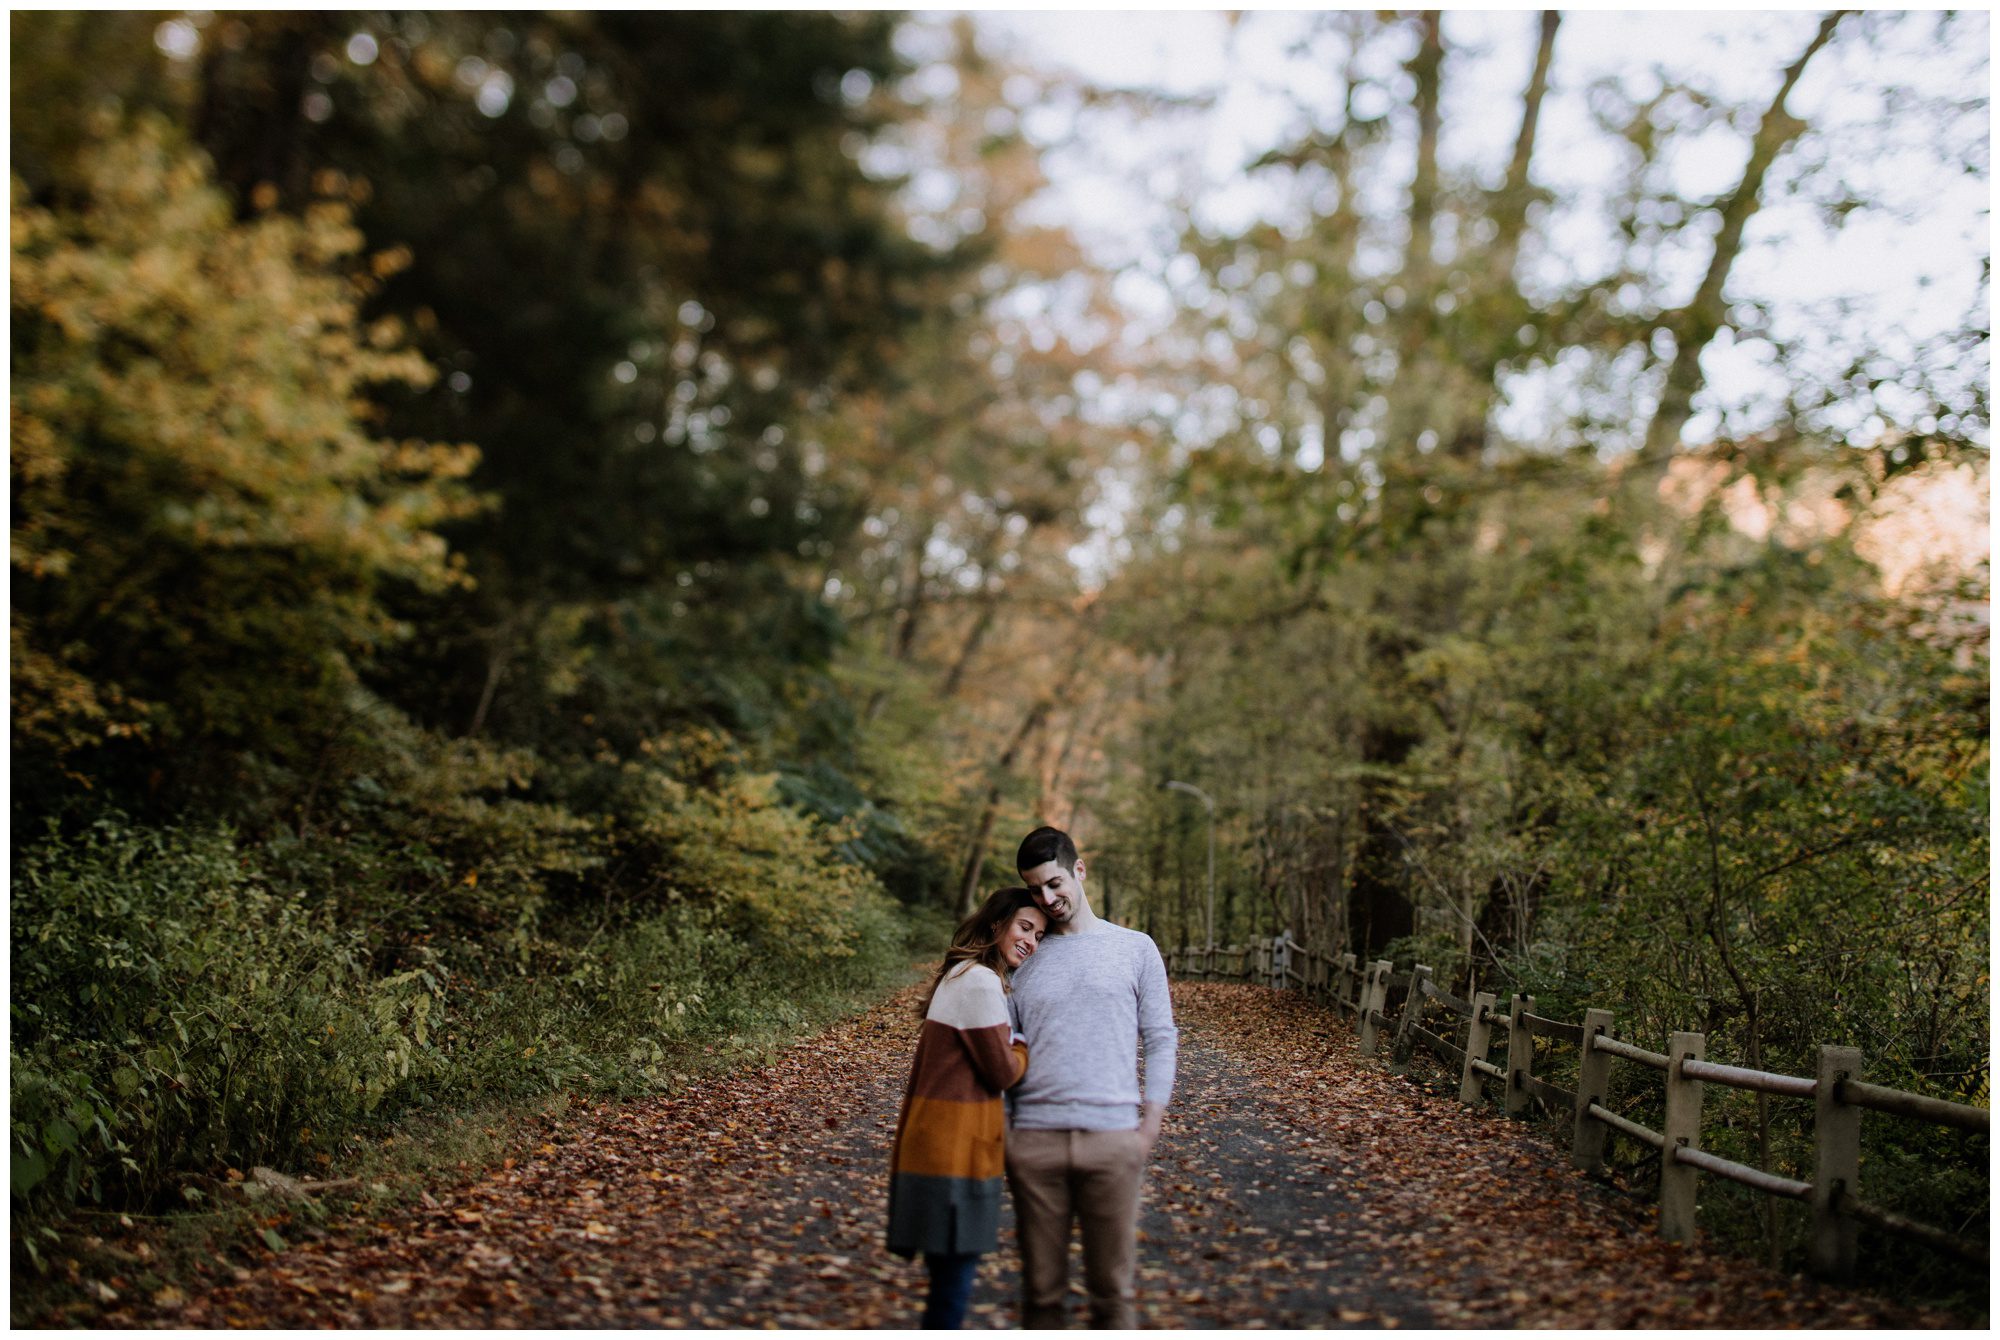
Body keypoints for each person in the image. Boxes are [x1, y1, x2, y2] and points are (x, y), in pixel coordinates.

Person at [1005, 825, 1178, 1329]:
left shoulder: (1135, 948)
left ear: (1079, 870)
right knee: (1041, 1296)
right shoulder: (1023, 954)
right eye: (1035, 889)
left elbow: (1161, 1037)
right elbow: (1002, 1048)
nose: (1046, 898)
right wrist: (1008, 1136)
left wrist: (1148, 1128)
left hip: (1112, 1140)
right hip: (1035, 1143)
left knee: (1112, 1295)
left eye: (1054, 883)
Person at [886, 887, 1048, 1329]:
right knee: (952, 1286)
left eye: (1038, 935)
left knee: (946, 1283)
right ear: (997, 924)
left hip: (938, 1144)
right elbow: (1002, 1071)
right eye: (1024, 927)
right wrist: (1021, 1044)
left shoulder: (962, 974)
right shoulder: (980, 981)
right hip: (952, 1153)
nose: (1031, 942)